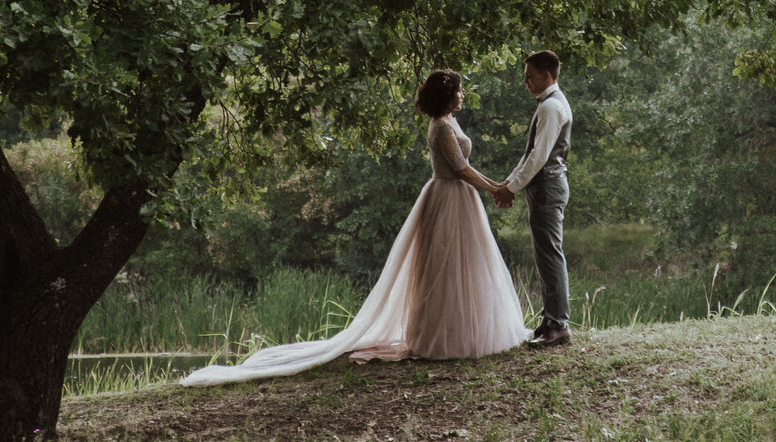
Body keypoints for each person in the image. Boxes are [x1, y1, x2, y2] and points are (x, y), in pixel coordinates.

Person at [179, 69, 530, 383]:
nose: (462, 94)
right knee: (442, 268)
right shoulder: (439, 126)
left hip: (461, 199)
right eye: (459, 89)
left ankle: (464, 332)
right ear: (447, 94)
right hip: (448, 198)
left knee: (463, 267)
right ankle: (441, 338)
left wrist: (496, 186)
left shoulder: (449, 121)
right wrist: (497, 188)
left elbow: (466, 167)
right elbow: (460, 168)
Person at [489, 49, 574, 346]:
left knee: (550, 255)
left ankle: (559, 325)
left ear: (547, 76)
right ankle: (551, 319)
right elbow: (530, 155)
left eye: (529, 76)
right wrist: (509, 183)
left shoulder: (551, 107)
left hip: (548, 186)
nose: (525, 81)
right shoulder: (548, 104)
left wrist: (510, 189)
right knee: (545, 254)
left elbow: (539, 157)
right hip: (544, 187)